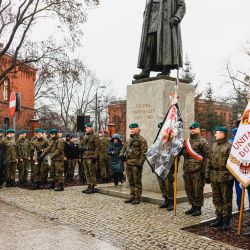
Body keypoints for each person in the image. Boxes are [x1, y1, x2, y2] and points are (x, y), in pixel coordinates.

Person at [134, 0, 186, 80]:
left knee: (165, 46)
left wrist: (177, 17)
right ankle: (145, 71)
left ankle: (166, 70)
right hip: (152, 21)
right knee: (149, 46)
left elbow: (182, 6)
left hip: (166, 22)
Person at [205, 126, 234, 231]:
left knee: (226, 199)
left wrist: (231, 177)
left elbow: (233, 163)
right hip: (214, 176)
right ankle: (219, 218)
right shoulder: (213, 146)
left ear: (223, 134)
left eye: (217, 133)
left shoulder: (230, 146)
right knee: (216, 199)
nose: (215, 134)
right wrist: (207, 174)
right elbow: (209, 160)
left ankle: (226, 221)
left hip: (225, 177)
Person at [182, 122, 209, 216]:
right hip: (187, 169)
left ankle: (198, 208)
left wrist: (204, 171)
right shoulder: (187, 141)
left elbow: (207, 157)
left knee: (197, 189)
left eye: (195, 129)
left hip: (197, 170)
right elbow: (182, 153)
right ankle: (192, 206)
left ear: (198, 129)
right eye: (191, 129)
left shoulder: (202, 141)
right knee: (189, 189)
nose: (192, 130)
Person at [120, 123, 148, 204]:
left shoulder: (141, 140)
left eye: (133, 129)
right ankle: (132, 196)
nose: (132, 130)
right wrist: (121, 155)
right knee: (131, 181)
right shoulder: (129, 140)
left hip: (136, 164)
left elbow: (144, 152)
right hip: (128, 163)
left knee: (137, 182)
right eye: (131, 129)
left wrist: (140, 163)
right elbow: (123, 148)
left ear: (137, 129)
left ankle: (137, 197)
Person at [80, 123, 99, 194]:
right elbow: (80, 145)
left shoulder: (95, 136)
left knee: (92, 172)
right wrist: (81, 148)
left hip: (91, 157)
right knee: (86, 172)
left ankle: (92, 187)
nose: (86, 129)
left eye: (88, 128)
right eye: (86, 128)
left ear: (91, 128)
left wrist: (95, 157)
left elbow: (97, 147)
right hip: (85, 156)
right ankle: (88, 186)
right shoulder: (84, 137)